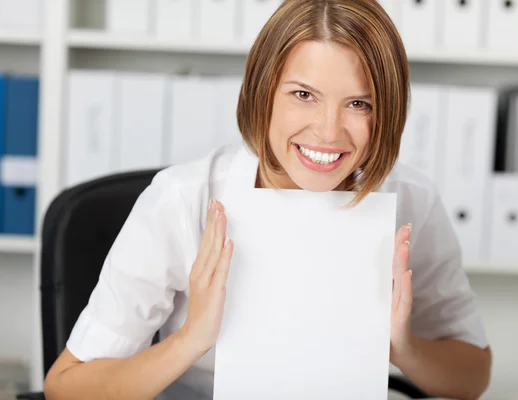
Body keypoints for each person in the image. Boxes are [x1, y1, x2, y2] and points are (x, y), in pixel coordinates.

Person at [44, 1, 492, 399]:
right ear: (263, 92)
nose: (329, 132)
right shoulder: (182, 201)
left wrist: (401, 347)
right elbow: (66, 385)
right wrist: (190, 339)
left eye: (360, 104)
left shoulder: (410, 200)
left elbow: (473, 376)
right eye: (303, 95)